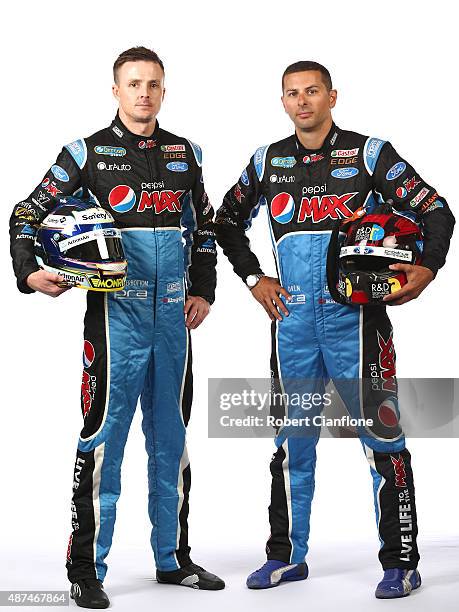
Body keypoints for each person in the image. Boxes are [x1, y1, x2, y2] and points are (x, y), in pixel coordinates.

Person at [215, 60, 454, 599]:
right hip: (292, 324)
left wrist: (428, 266)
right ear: (283, 102)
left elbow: (436, 209)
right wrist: (254, 278)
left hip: (359, 323)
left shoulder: (370, 155)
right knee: (289, 441)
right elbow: (225, 219)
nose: (303, 102)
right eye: (292, 94)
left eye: (313, 92)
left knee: (382, 437)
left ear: (332, 96)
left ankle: (403, 563)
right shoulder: (267, 161)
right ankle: (285, 557)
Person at [9, 46, 224, 608]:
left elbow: (206, 230)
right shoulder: (85, 153)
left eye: (153, 84)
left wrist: (204, 289)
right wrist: (31, 273)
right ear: (116, 91)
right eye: (133, 84)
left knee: (171, 442)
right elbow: (26, 214)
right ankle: (85, 568)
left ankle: (171, 559)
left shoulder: (186, 154)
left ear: (163, 89)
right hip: (115, 323)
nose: (144, 94)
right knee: (104, 441)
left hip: (173, 323)